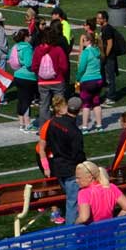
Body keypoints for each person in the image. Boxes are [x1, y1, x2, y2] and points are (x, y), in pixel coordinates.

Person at [37, 95, 85, 225]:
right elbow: (78, 155)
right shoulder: (75, 132)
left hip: (57, 166)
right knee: (72, 202)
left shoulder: (53, 123)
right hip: (70, 169)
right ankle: (70, 231)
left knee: (71, 199)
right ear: (79, 110)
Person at [32, 27, 68, 127]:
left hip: (42, 82)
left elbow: (34, 66)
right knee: (60, 104)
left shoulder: (38, 50)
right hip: (57, 80)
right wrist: (59, 73)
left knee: (44, 105)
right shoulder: (58, 50)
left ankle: (44, 128)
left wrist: (40, 74)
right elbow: (64, 66)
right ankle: (61, 126)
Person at [9, 28, 39, 132]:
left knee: (21, 99)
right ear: (25, 37)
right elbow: (29, 63)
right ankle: (28, 124)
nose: (30, 37)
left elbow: (11, 58)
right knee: (27, 100)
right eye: (29, 35)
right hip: (28, 77)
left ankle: (21, 123)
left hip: (17, 75)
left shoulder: (15, 46)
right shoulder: (27, 48)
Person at [76, 31, 104, 133]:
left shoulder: (86, 52)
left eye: (83, 40)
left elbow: (81, 68)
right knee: (96, 103)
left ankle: (84, 126)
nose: (82, 42)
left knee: (86, 104)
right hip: (98, 80)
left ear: (88, 41)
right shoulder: (97, 51)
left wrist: (78, 78)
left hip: (87, 80)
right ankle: (99, 125)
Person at [96, 10, 119, 104]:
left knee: (110, 77)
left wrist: (106, 55)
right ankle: (108, 93)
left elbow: (110, 43)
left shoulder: (107, 29)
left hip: (109, 57)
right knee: (105, 76)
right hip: (106, 56)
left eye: (99, 18)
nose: (97, 19)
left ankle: (111, 97)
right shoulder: (103, 28)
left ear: (104, 19)